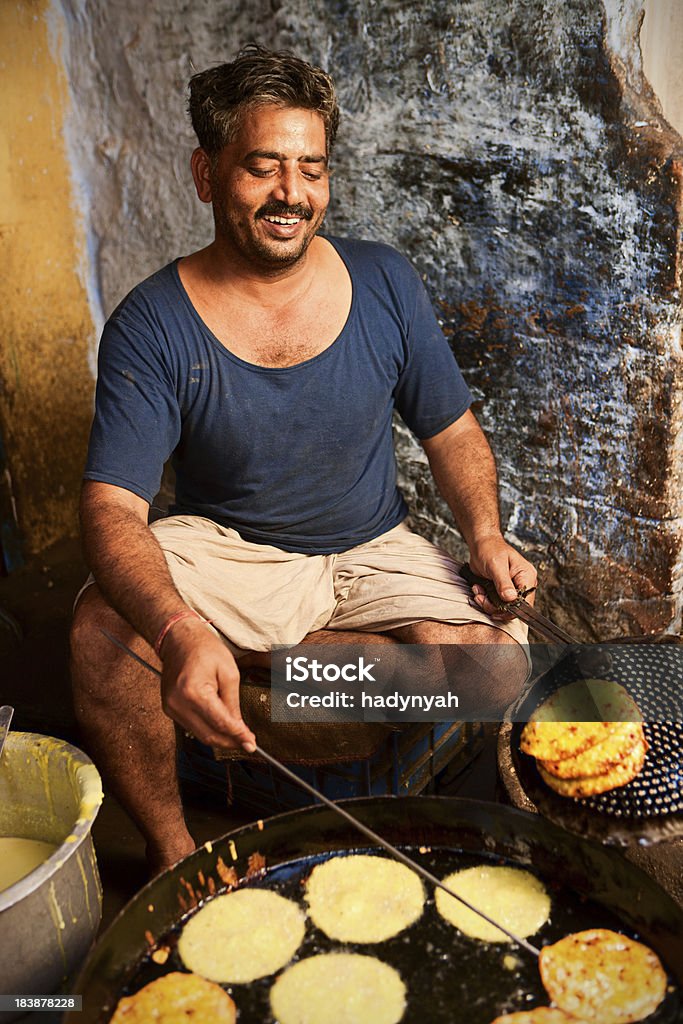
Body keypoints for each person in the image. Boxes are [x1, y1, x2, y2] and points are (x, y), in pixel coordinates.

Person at [70, 44, 537, 873]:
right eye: (262, 168)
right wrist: (177, 628)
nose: (292, 194)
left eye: (310, 169)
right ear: (205, 173)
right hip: (232, 552)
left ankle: (261, 660)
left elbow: (454, 432)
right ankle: (178, 852)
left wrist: (487, 535)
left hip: (368, 545)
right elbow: (112, 508)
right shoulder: (152, 323)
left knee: (495, 672)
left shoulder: (385, 281)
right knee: (103, 632)